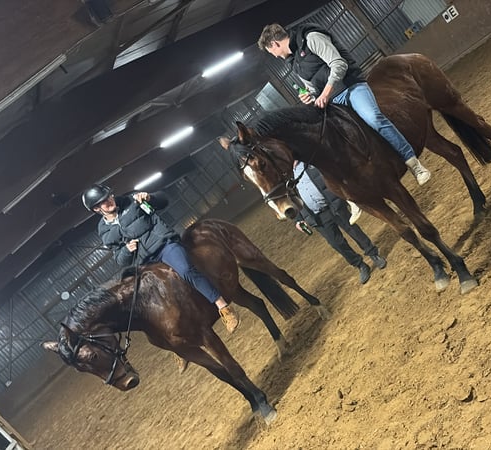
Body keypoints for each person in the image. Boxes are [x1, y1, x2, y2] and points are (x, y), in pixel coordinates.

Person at [258, 23, 432, 188]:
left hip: (350, 87)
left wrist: (325, 93)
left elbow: (339, 64)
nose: (274, 55)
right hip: (330, 101)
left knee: (374, 118)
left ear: (274, 44)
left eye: (271, 51)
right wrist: (309, 96)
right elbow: (311, 86)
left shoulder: (311, 38)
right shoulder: (294, 62)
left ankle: (413, 163)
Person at [81, 184, 240, 333]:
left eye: (109, 196)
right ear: (96, 209)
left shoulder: (131, 200)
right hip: (144, 262)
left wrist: (150, 198)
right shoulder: (103, 231)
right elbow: (119, 259)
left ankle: (223, 306)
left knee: (186, 270)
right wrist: (126, 251)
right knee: (150, 298)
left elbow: (163, 201)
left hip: (164, 246)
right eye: (103, 202)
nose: (109, 201)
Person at [292, 162, 387, 284]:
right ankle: (360, 265)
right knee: (337, 243)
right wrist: (298, 219)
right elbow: (290, 198)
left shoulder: (309, 161)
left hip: (333, 204)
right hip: (317, 216)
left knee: (353, 230)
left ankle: (373, 254)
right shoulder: (286, 175)